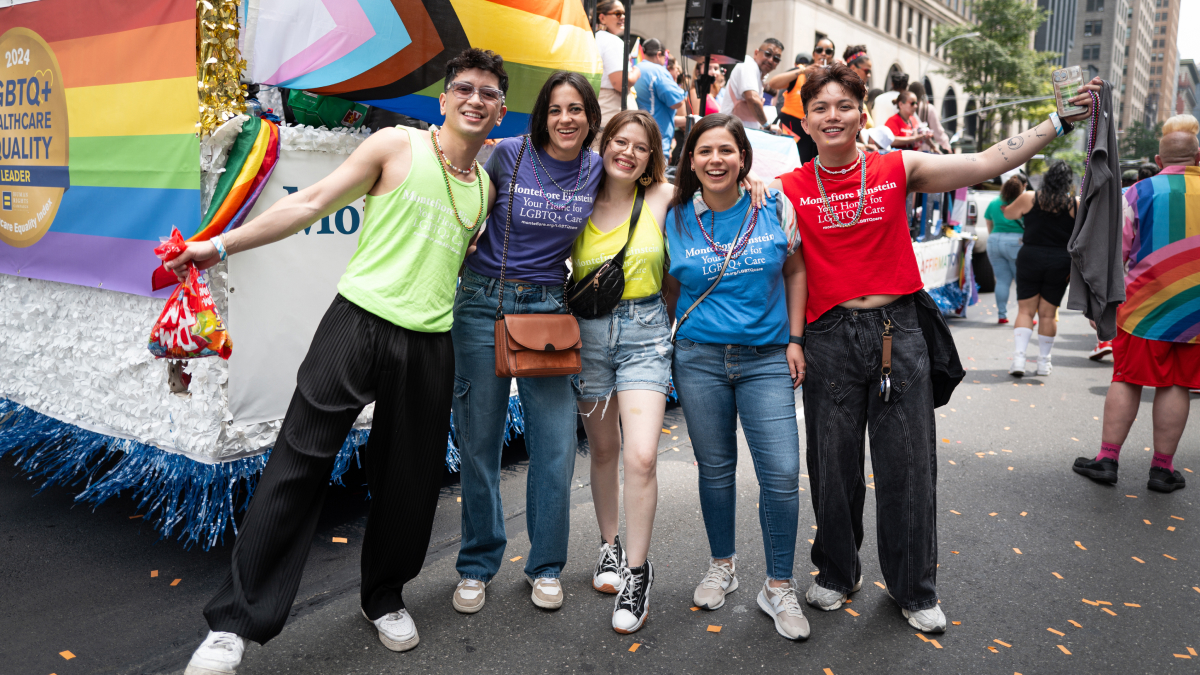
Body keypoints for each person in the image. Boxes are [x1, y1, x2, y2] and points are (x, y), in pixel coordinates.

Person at [176, 48, 508, 675]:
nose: (474, 99)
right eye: (463, 88)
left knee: (410, 479)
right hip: (355, 323)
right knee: (297, 465)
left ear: (498, 111)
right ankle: (234, 626)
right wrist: (216, 245)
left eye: (488, 93)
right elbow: (310, 203)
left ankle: (383, 597)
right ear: (444, 100)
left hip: (430, 342)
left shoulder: (485, 187)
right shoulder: (396, 146)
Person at [777, 64, 1098, 633]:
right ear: (807, 117)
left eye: (842, 106)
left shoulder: (898, 166)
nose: (831, 116)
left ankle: (914, 588)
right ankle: (835, 572)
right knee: (832, 467)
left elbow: (987, 161)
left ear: (860, 114)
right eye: (819, 107)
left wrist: (1058, 120)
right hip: (827, 338)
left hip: (897, 333)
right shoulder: (790, 186)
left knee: (908, 467)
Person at [451, 72, 603, 614]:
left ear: (589, 118)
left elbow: (655, 185)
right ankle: (477, 562)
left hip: (548, 311)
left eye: (577, 109)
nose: (566, 118)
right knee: (479, 442)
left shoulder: (597, 169)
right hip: (481, 304)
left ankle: (546, 566)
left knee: (556, 447)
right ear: (543, 114)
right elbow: (460, 187)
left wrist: (756, 186)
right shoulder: (507, 155)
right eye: (557, 108)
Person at [664, 114, 810, 641]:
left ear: (743, 158)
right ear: (691, 160)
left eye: (726, 150)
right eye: (704, 151)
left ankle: (777, 585)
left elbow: (795, 270)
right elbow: (666, 285)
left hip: (767, 358)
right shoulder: (675, 214)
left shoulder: (773, 204)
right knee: (716, 469)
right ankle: (721, 565)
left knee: (781, 471)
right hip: (699, 357)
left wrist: (795, 340)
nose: (716, 160)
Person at [571, 110, 675, 634]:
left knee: (640, 454)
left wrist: (759, 181)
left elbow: (722, 190)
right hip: (587, 338)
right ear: (603, 144)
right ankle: (608, 548)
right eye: (619, 141)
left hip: (645, 336)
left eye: (640, 146)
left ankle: (637, 571)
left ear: (650, 157)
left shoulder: (661, 197)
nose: (628, 152)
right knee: (605, 450)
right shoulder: (576, 198)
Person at [1073, 114, 1200, 493]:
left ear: (1159, 161)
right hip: (1195, 312)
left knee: (1126, 378)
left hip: (1144, 307)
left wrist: (1100, 304)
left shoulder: (1138, 193)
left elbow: (1118, 253)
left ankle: (1108, 460)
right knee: (1177, 383)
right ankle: (1162, 469)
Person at [1001, 160, 1079, 377]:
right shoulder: (1075, 204)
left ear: (1047, 177)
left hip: (1030, 256)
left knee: (1025, 310)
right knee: (1048, 313)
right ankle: (1043, 363)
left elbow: (1009, 214)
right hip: (1060, 260)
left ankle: (1018, 359)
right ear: (1068, 181)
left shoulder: (1029, 198)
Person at [767, 37, 837, 164]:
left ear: (832, 56)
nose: (823, 54)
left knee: (811, 168)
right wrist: (803, 70)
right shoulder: (801, 71)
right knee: (784, 165)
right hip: (791, 126)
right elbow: (773, 83)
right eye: (819, 50)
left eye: (828, 51)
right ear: (813, 53)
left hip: (815, 130)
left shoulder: (833, 77)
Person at [594, 0, 640, 142]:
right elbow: (620, 83)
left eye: (624, 13)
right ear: (602, 18)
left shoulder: (593, 38)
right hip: (611, 111)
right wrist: (636, 72)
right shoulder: (611, 41)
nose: (623, 17)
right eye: (617, 13)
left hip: (601, 110)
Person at [985, 175, 1028, 324]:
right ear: (1023, 187)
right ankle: (1024, 317)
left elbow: (989, 224)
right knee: (1021, 281)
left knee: (1002, 281)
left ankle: (1002, 315)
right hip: (1016, 242)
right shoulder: (1022, 203)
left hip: (994, 240)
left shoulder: (994, 202)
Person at [633, 38, 686, 156]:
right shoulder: (658, 71)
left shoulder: (635, 69)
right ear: (658, 55)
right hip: (657, 141)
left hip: (638, 134)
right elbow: (676, 102)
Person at [721, 38, 785, 130]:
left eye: (776, 58)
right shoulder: (748, 65)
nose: (771, 60)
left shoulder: (758, 74)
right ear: (756, 53)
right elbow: (752, 98)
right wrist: (767, 126)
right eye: (768, 54)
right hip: (731, 131)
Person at [908, 82, 951, 154]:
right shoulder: (928, 108)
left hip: (908, 150)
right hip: (923, 150)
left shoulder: (905, 107)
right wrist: (946, 146)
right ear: (923, 94)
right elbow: (938, 131)